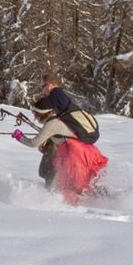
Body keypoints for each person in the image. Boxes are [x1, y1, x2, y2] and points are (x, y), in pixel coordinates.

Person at [11, 74, 108, 205]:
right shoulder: (60, 117)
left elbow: (33, 143)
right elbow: (61, 135)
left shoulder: (52, 123)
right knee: (82, 187)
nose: (35, 117)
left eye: (36, 114)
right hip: (83, 152)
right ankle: (105, 200)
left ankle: (83, 208)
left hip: (75, 157)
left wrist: (19, 137)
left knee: (74, 188)